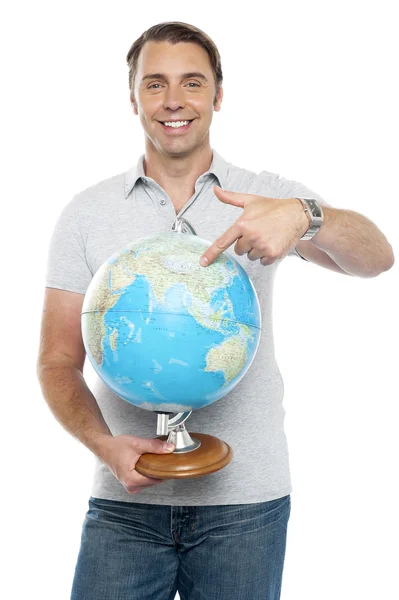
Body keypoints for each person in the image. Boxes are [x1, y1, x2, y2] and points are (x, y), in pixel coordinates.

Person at [36, 21, 394, 600]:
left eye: (192, 83)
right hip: (125, 504)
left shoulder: (266, 195)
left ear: (218, 96)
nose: (174, 101)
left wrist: (305, 216)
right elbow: (56, 360)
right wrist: (104, 446)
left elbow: (377, 257)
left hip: (245, 507)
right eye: (154, 84)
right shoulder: (87, 213)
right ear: (132, 97)